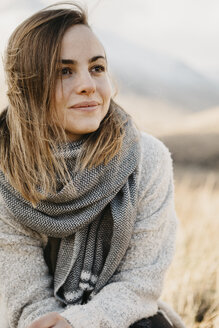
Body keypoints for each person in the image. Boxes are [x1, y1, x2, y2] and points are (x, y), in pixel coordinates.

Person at [0, 3, 185, 328]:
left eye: (97, 68)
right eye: (64, 71)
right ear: (29, 86)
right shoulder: (7, 176)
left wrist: (79, 323)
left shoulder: (147, 159)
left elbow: (139, 284)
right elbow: (26, 301)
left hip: (119, 319)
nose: (88, 84)